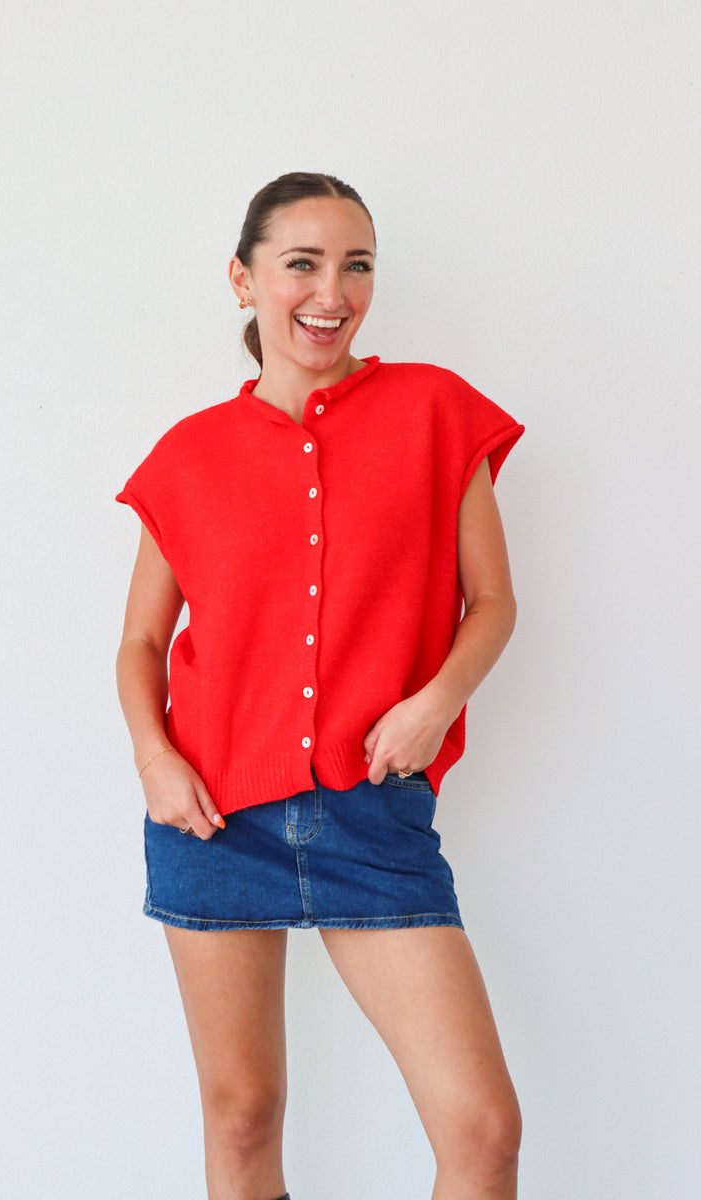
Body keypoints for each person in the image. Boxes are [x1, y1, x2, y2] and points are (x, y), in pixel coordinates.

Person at [115, 171, 524, 1200]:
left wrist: (431, 705)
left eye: (356, 266)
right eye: (301, 263)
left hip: (371, 812)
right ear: (243, 280)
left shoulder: (436, 412)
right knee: (242, 1117)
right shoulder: (188, 455)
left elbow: (491, 603)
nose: (330, 292)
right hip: (213, 819)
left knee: (481, 1130)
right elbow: (140, 644)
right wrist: (155, 760)